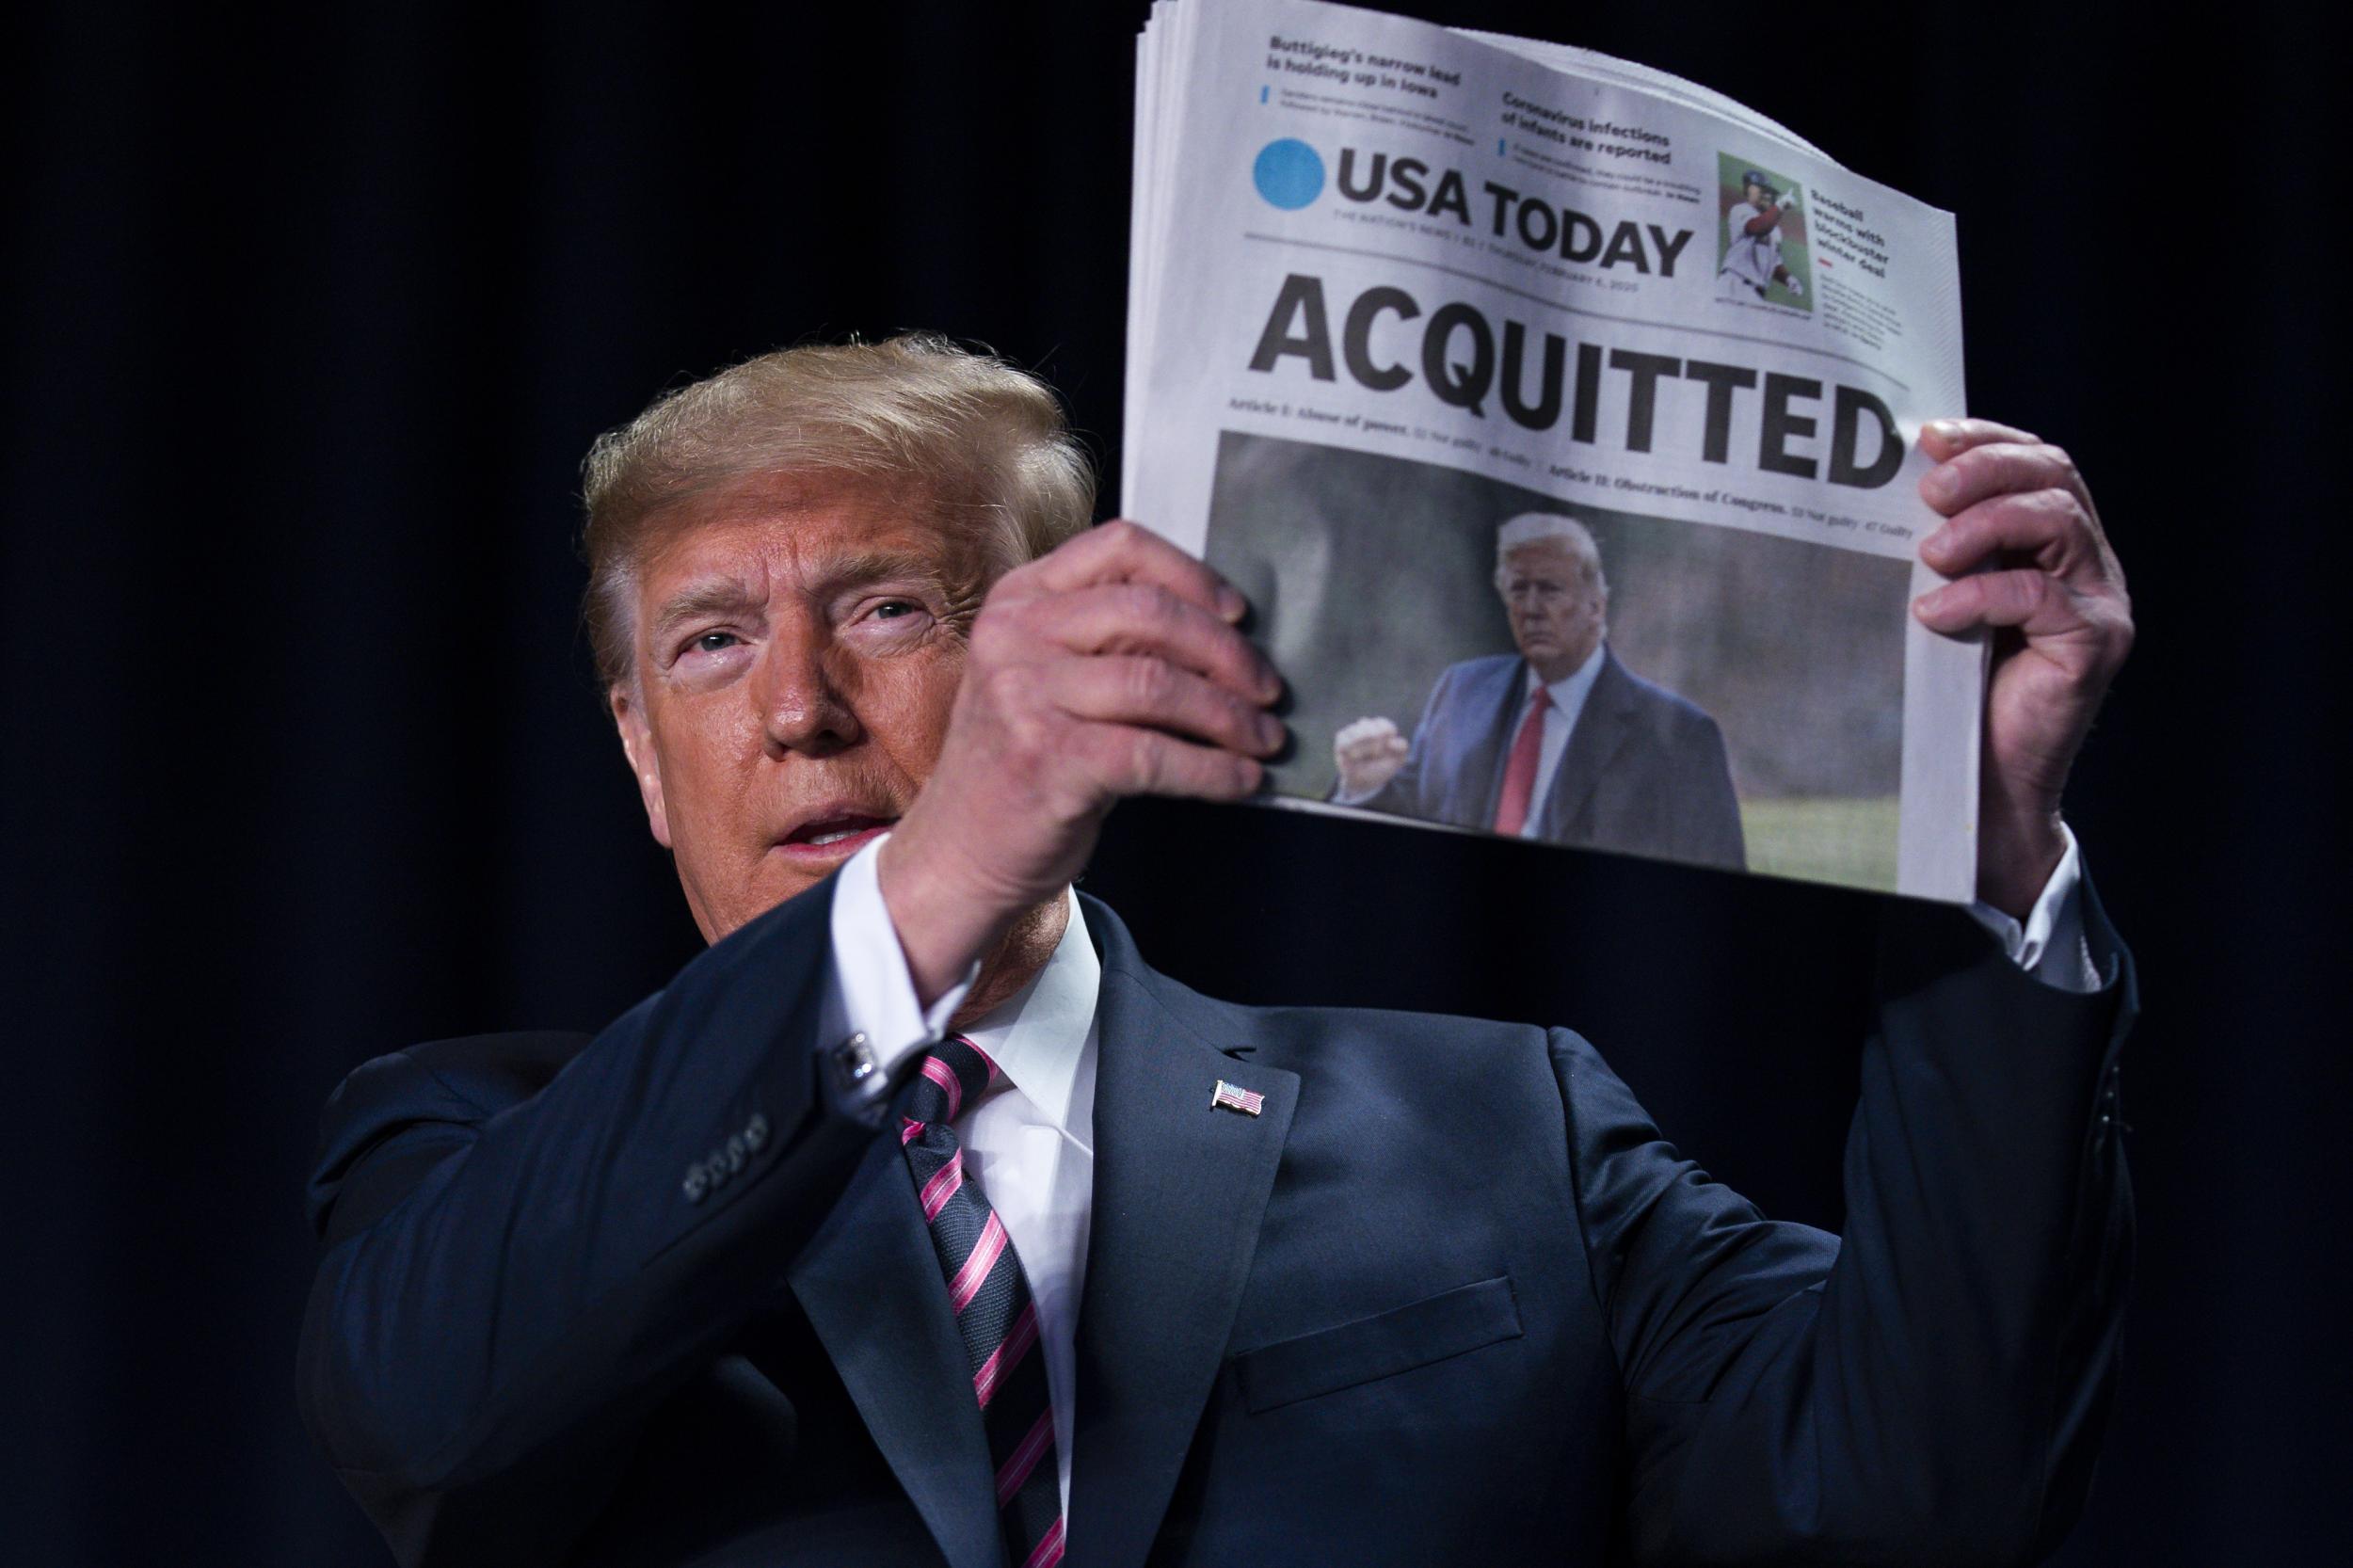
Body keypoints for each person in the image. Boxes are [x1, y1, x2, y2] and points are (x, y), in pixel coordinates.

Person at [299, 336, 2137, 1568]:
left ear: (1067, 637)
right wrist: (917, 899)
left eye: (886, 609)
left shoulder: (1503, 1125)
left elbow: (1930, 1498)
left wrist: (1978, 851)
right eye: (708, 643)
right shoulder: (474, 1145)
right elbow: (430, 1422)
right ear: (636, 751)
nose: (798, 708)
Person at [1329, 513, 1747, 870]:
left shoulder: (1679, 736)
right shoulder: (1462, 691)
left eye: (1550, 589)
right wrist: (1364, 789)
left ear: (1596, 606)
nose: (1531, 608)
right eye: (1518, 590)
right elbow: (1406, 821)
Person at [1719, 168, 1806, 303]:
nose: (1768, 196)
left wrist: (1788, 279)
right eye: (1763, 190)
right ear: (1749, 190)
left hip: (1757, 294)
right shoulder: (1741, 210)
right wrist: (1780, 206)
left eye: (1770, 193)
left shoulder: (1775, 229)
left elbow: (1774, 262)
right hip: (1735, 283)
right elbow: (1756, 227)